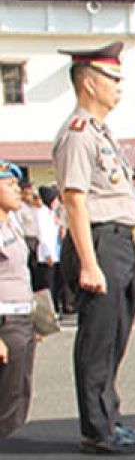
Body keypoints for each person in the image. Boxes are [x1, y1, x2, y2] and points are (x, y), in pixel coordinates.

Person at [52, 42, 135, 454]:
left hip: (119, 242)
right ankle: (97, 430)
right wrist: (89, 264)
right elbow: (75, 200)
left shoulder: (102, 135)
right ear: (90, 84)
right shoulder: (78, 135)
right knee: (97, 337)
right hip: (97, 242)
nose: (119, 86)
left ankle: (109, 418)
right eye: (113, 79)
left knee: (116, 334)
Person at [0, 161, 37, 438]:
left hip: (22, 318)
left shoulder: (11, 224)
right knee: (6, 402)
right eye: (9, 185)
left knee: (20, 396)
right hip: (5, 322)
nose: (17, 190)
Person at [34, 186, 63, 304]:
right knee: (48, 285)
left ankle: (56, 307)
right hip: (47, 256)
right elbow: (43, 235)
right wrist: (47, 254)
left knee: (56, 284)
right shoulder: (41, 213)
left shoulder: (52, 213)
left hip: (57, 254)